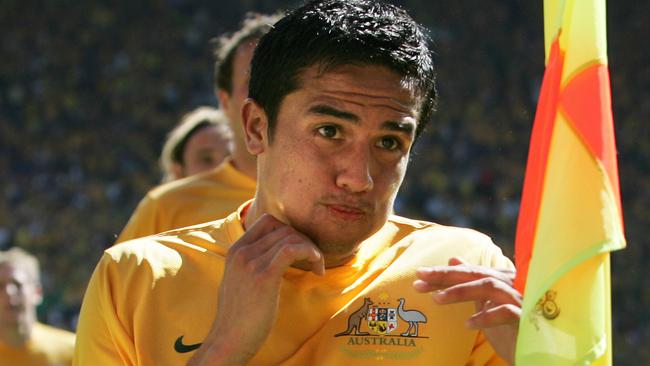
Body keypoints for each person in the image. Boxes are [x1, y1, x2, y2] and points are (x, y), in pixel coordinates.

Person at [75, 1, 521, 365]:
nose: (358, 178)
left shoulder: (466, 275)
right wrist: (224, 347)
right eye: (329, 132)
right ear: (255, 127)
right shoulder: (134, 279)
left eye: (388, 141)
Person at [116, 13, 280, 243]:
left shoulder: (337, 198)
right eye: (253, 81)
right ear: (225, 101)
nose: (273, 93)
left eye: (286, 82)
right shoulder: (166, 209)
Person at [0, 247, 75, 366]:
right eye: (0, 286)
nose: (9, 292)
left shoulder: (73, 350)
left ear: (37, 292)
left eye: (17, 284)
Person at [160, 106, 233, 183]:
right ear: (179, 173)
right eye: (207, 159)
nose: (222, 168)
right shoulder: (155, 195)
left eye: (230, 158)